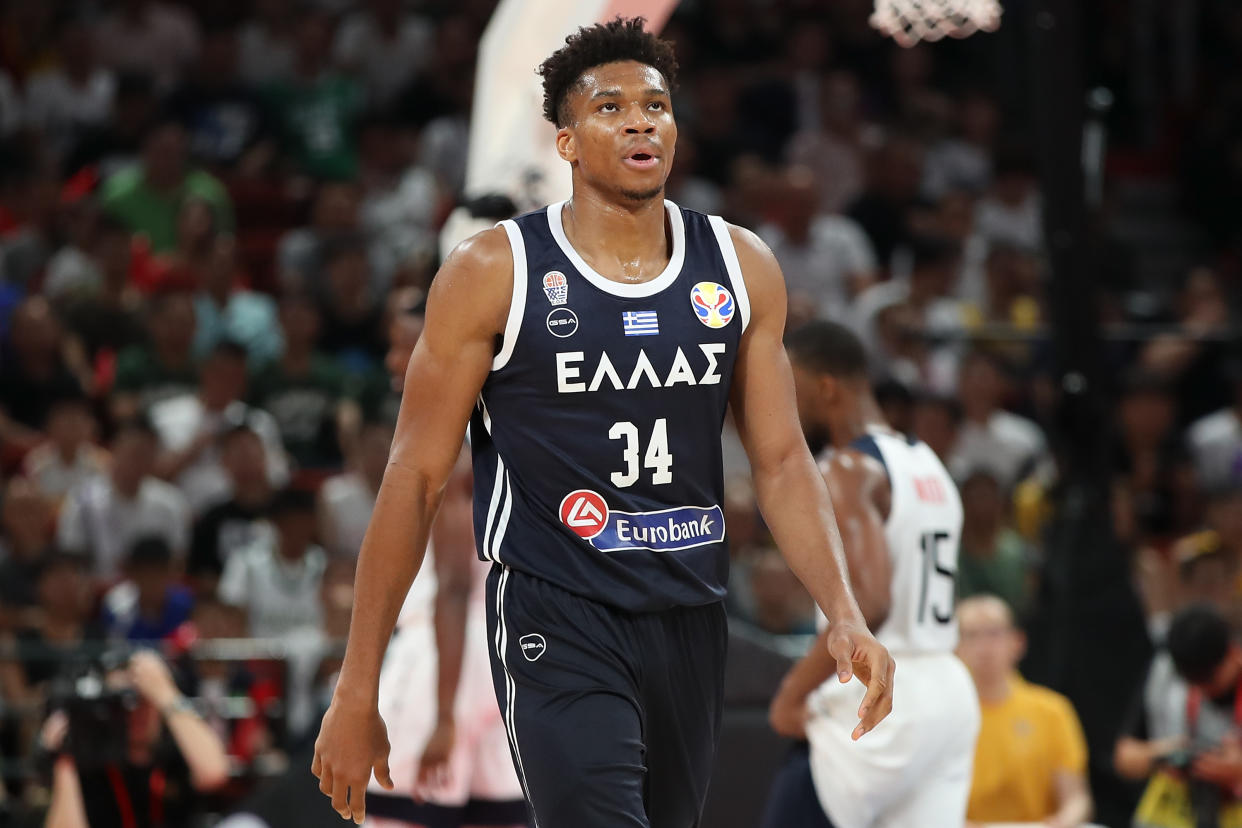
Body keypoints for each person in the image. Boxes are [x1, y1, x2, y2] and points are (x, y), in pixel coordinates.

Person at [312, 18, 894, 827]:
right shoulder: (492, 272)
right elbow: (412, 478)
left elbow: (785, 462)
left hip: (690, 611)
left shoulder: (739, 265)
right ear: (567, 144)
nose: (638, 121)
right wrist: (356, 685)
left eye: (655, 105)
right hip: (558, 612)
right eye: (610, 107)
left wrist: (842, 611)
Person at [762, 320, 979, 828]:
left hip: (881, 690)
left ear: (826, 387)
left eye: (791, 387)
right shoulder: (927, 461)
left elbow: (869, 606)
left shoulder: (845, 468)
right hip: (947, 689)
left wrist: (791, 694)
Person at [364, 300, 527, 828]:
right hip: (507, 659)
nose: (393, 359)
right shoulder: (512, 431)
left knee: (398, 818)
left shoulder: (452, 445)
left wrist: (442, 712)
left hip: (443, 661)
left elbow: (454, 586)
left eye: (402, 345)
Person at [40, 648, 229, 828]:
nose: (134, 711)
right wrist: (64, 758)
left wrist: (166, 693)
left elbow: (214, 772)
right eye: (121, 703)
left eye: (144, 700)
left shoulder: (180, 751)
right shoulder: (92, 762)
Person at [956, 595, 1093, 827]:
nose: (984, 647)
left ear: (1017, 642)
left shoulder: (1053, 710)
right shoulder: (949, 716)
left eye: (993, 633)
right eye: (971, 635)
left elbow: (1077, 799)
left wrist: (1062, 821)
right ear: (956, 648)